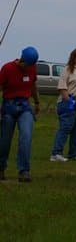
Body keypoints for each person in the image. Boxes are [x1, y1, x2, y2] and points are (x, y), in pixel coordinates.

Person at [0, 46, 40, 183]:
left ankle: (24, 171)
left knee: (26, 136)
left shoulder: (32, 68)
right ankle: (1, 167)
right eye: (26, 65)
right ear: (22, 60)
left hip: (25, 107)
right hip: (8, 107)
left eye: (30, 65)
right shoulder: (7, 68)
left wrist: (36, 102)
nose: (27, 68)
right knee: (5, 140)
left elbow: (33, 86)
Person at [50, 47, 76, 162]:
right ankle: (56, 153)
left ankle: (73, 154)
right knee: (66, 127)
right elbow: (62, 88)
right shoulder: (68, 70)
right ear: (73, 58)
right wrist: (71, 102)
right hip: (68, 102)